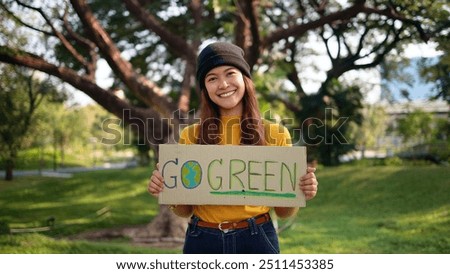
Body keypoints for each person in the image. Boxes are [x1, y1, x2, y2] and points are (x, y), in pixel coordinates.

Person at [148, 41, 318, 254]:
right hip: (202, 239)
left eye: (230, 73)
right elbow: (185, 210)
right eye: (212, 78)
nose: (223, 84)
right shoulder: (190, 136)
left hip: (257, 238)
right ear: (205, 88)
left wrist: (300, 190)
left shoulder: (275, 134)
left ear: (245, 79)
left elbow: (284, 212)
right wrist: (168, 189)